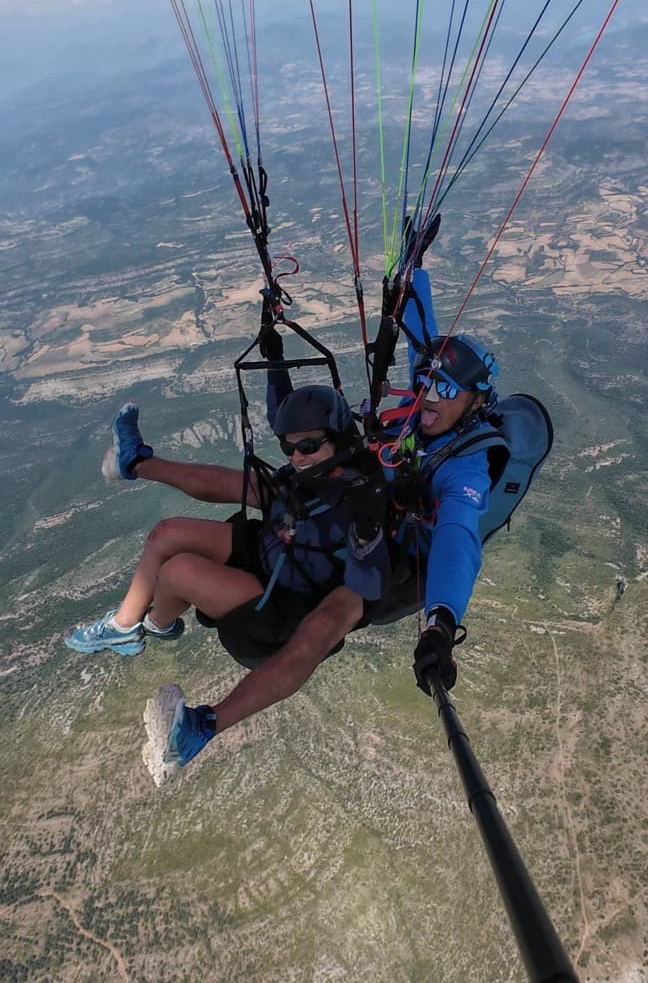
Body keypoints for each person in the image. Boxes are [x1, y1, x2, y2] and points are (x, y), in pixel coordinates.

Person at [65, 385, 389, 786]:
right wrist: (273, 359)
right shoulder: (311, 478)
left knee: (177, 571)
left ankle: (157, 623)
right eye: (288, 449)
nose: (297, 457)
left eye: (308, 445)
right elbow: (219, 482)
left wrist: (211, 721)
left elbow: (312, 642)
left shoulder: (360, 510)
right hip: (274, 556)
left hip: (278, 614)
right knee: (166, 533)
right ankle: (123, 627)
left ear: (338, 437)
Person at [378, 262, 500, 698]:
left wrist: (441, 625)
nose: (429, 396)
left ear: (475, 402)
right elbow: (420, 326)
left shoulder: (466, 467)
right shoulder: (428, 400)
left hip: (400, 557)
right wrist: (415, 270)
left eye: (446, 389)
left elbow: (456, 535)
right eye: (426, 382)